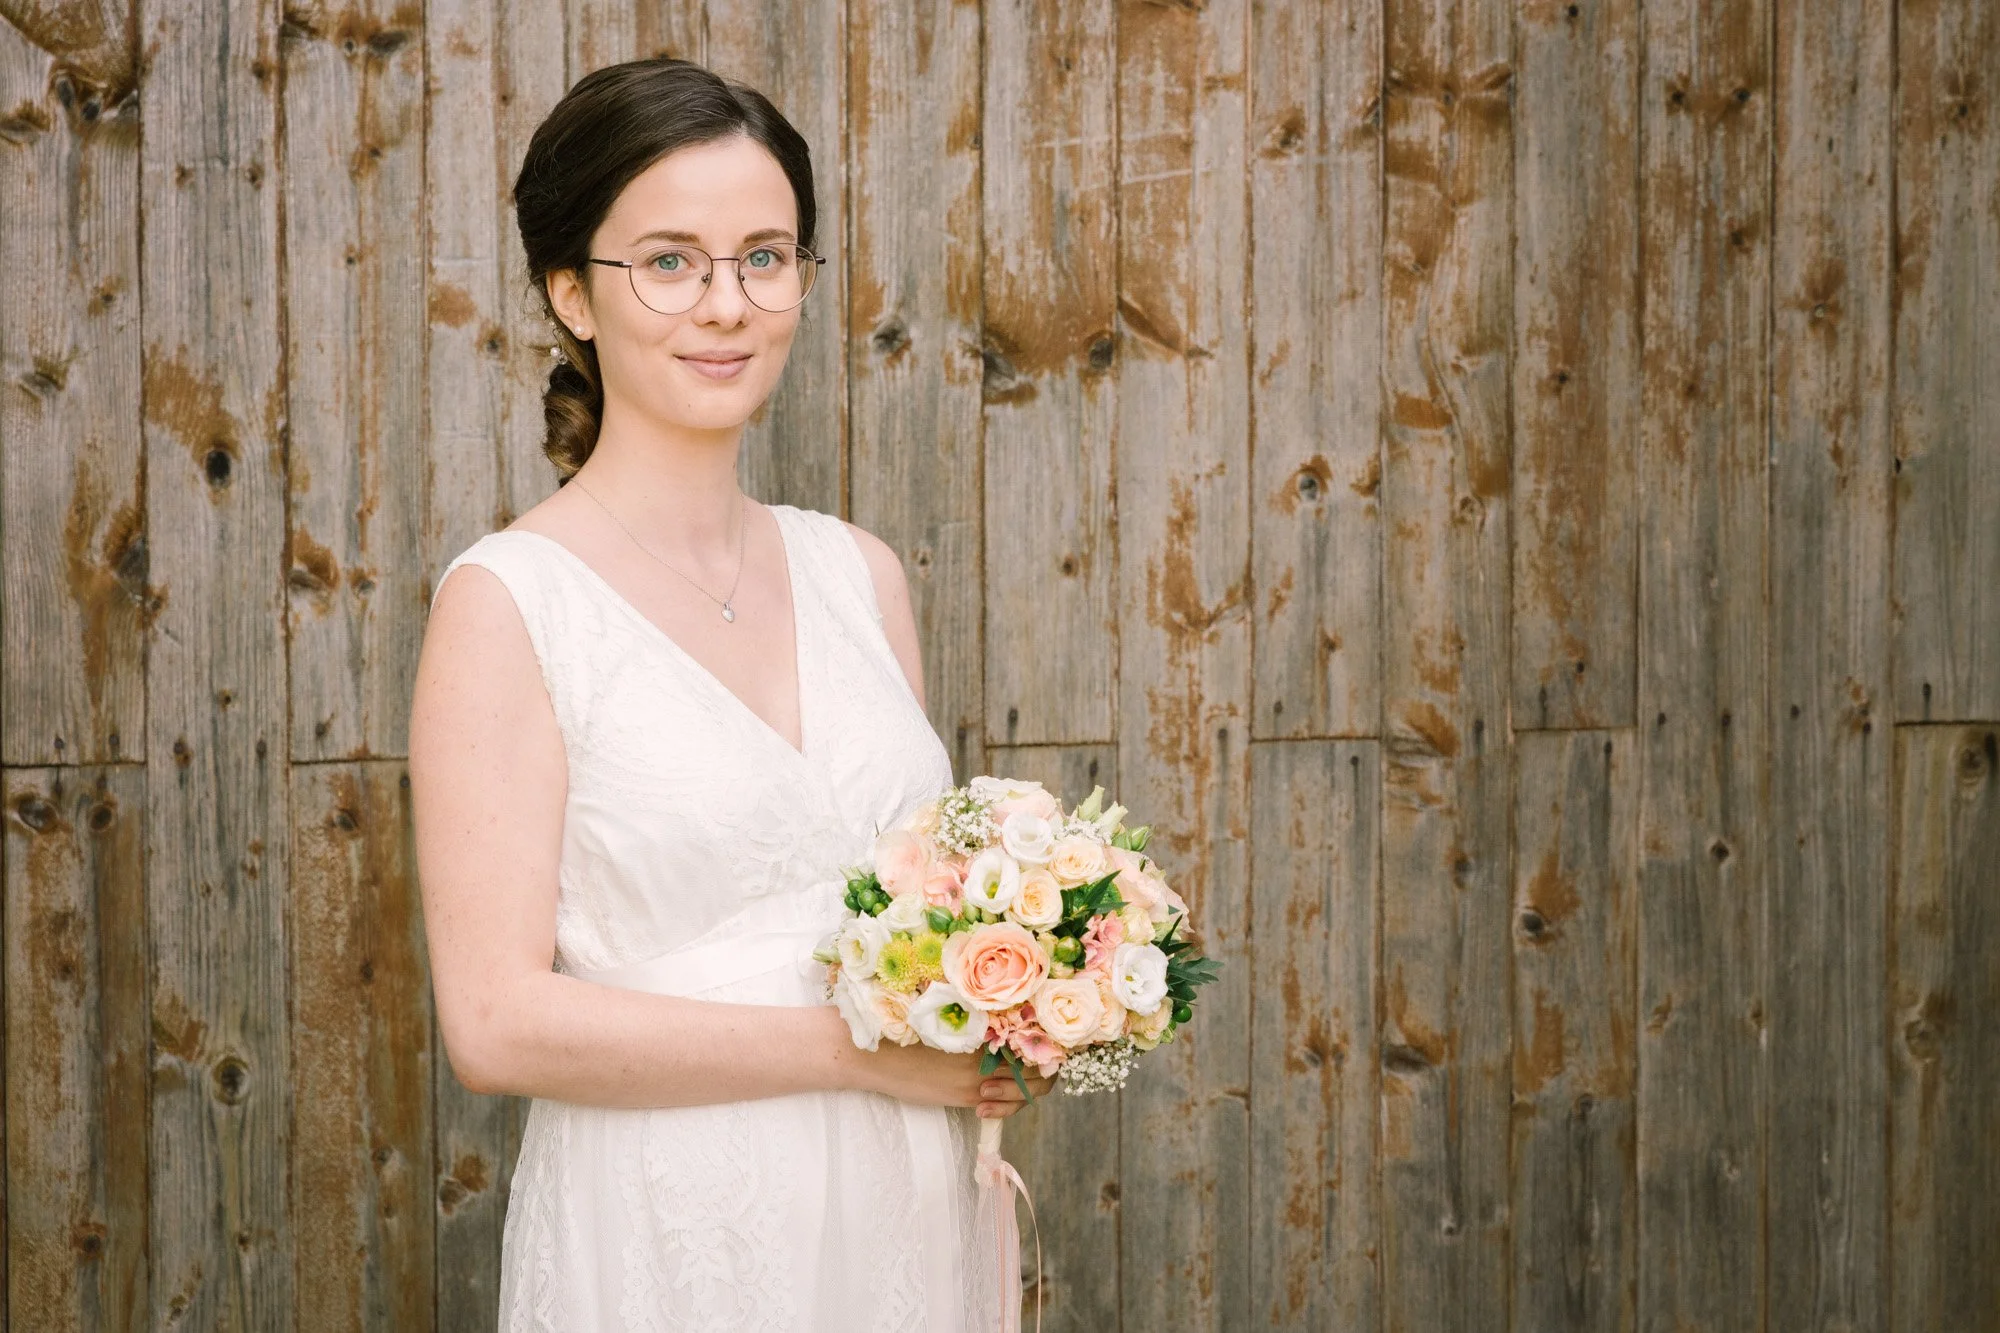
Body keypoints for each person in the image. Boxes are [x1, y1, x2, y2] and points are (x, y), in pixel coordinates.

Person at [408, 56, 1048, 1331]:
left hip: (902, 1214)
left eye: (765, 256)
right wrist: (860, 1054)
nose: (725, 305)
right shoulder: (510, 602)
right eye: (668, 261)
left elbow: (900, 911)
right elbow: (494, 1023)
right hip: (670, 1226)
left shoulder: (856, 574)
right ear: (569, 293)